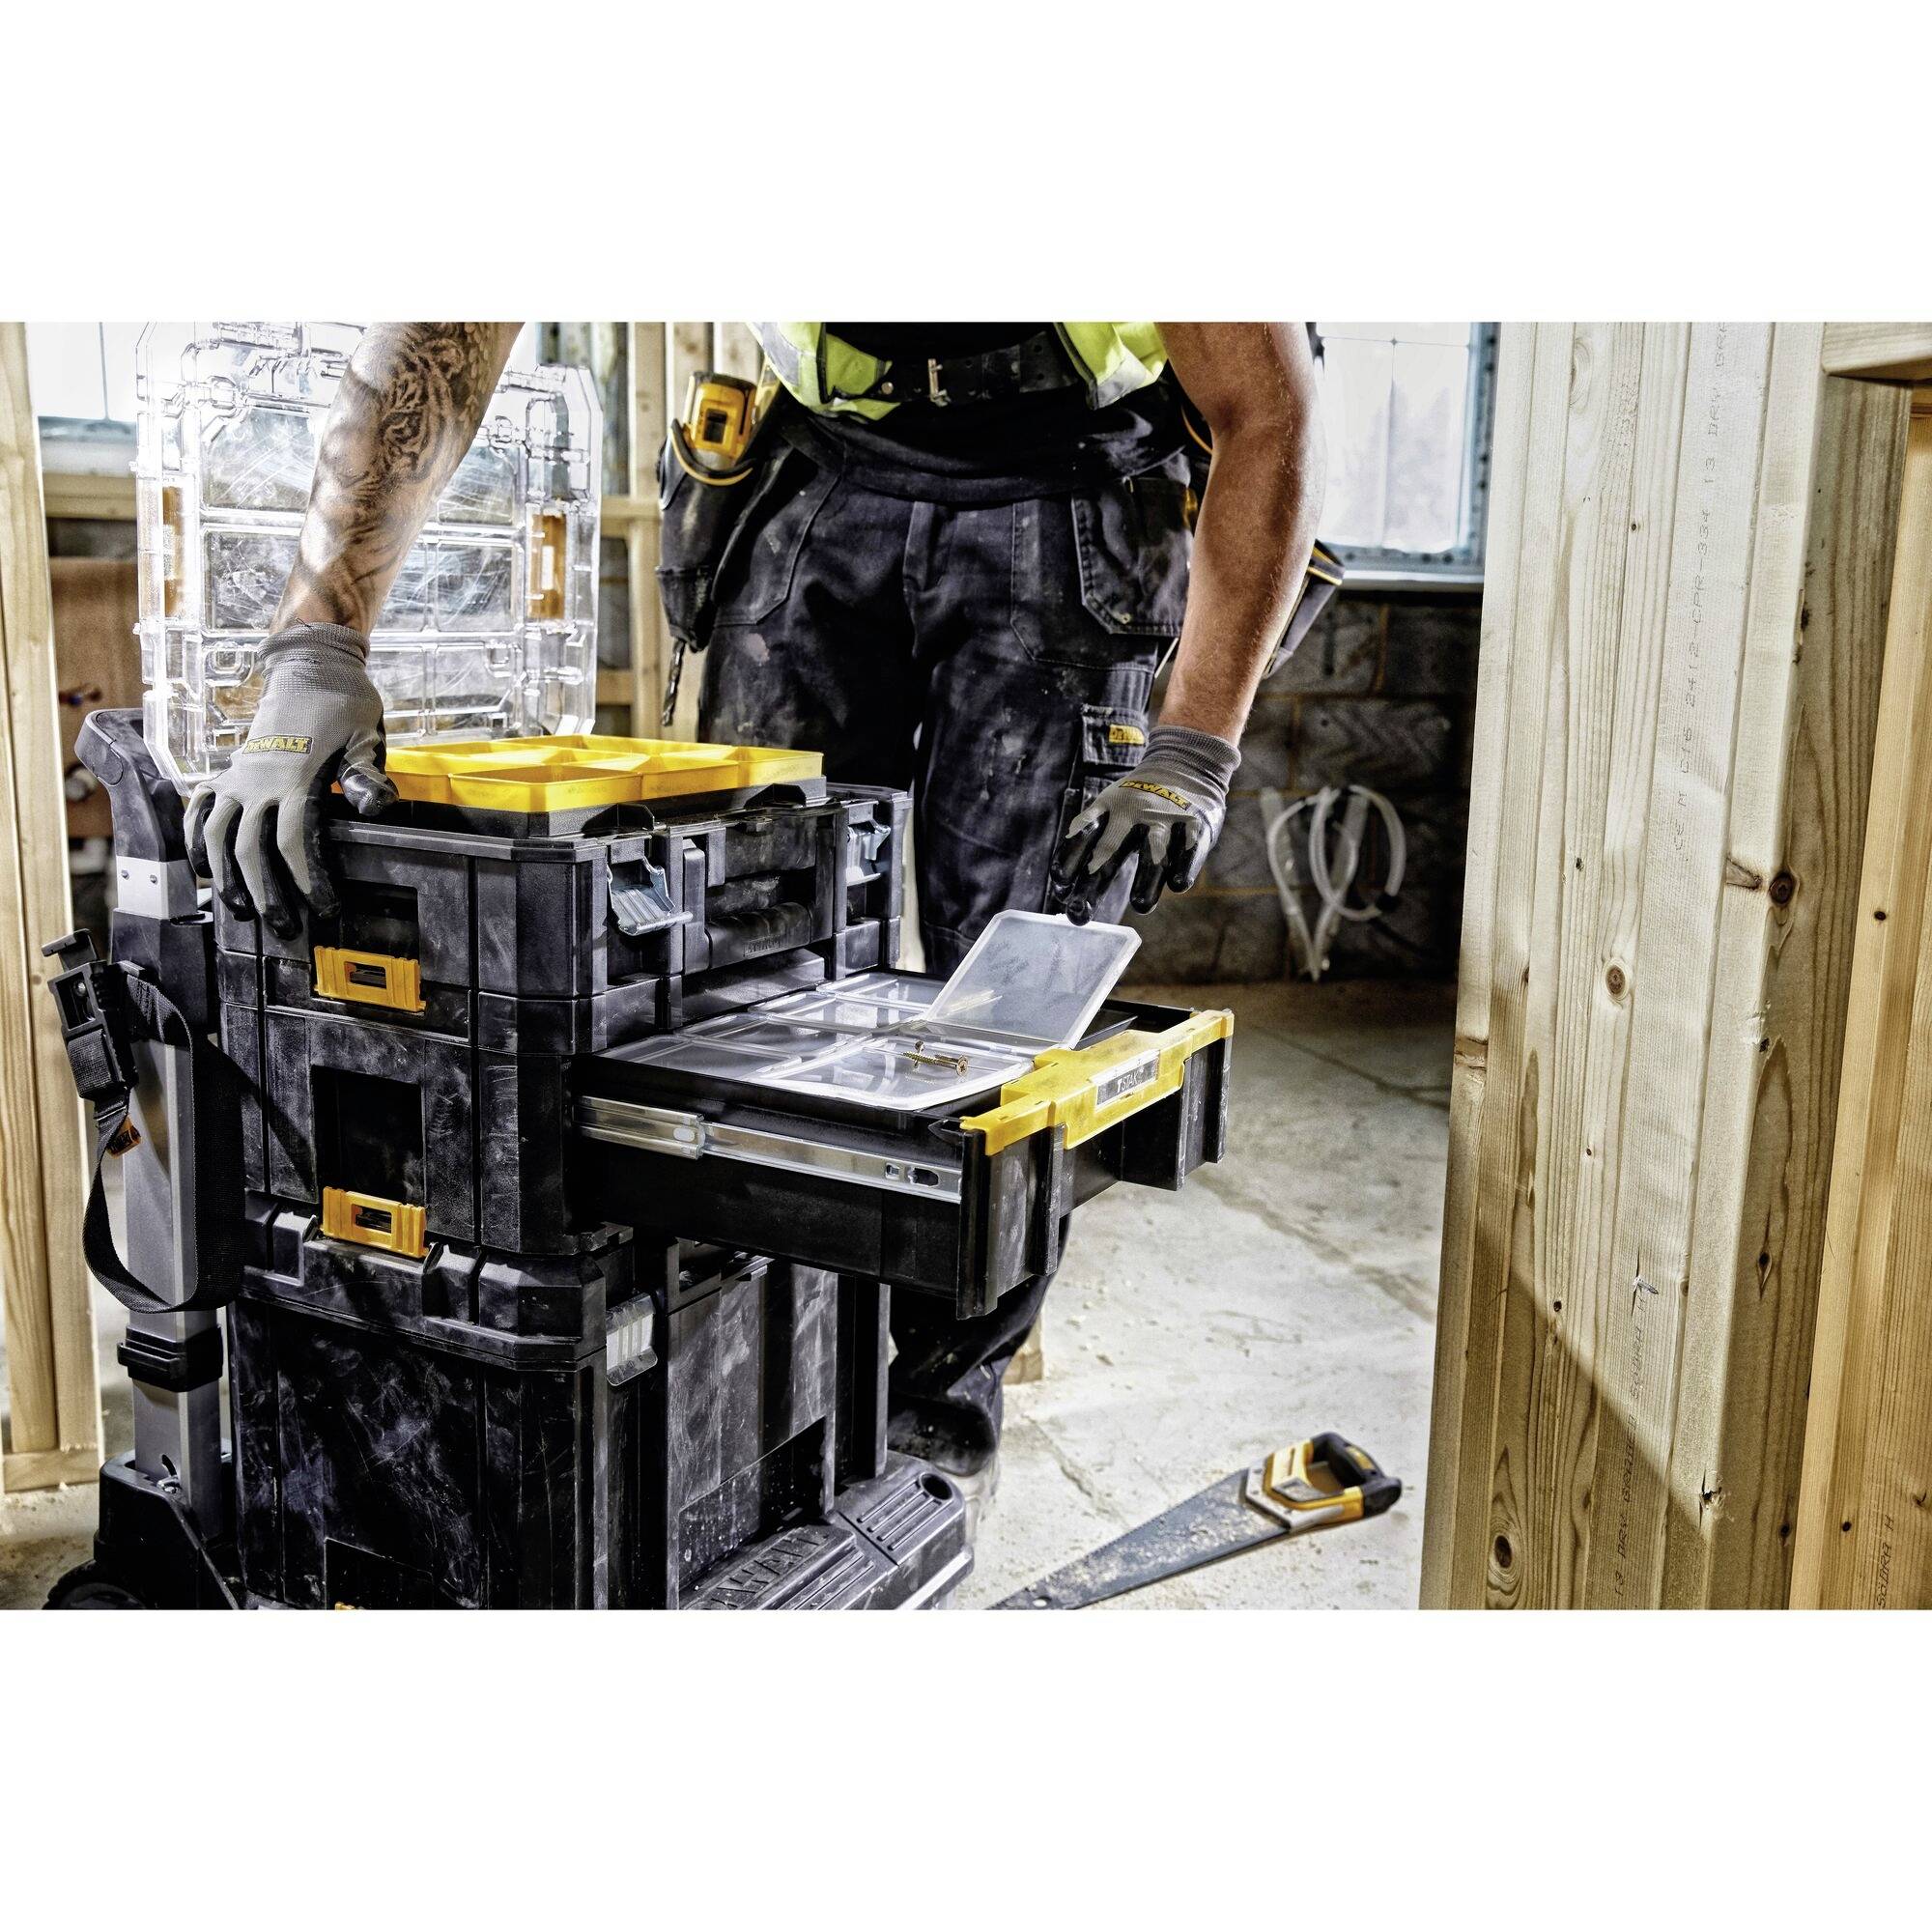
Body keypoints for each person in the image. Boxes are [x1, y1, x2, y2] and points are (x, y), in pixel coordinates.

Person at [186, 319, 1324, 1515]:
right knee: (734, 957)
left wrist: (1193, 741)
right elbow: (442, 329)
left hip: (1067, 480)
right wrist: (318, 642)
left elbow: (1267, 408)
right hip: (815, 471)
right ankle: (754, 1379)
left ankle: (936, 1419)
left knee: (1012, 1000)